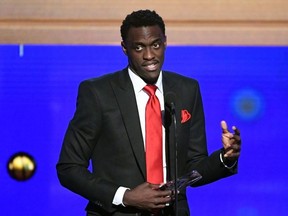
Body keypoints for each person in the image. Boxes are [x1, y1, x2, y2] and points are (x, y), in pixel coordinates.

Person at [56, 9, 241, 216]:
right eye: (138, 47)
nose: (149, 55)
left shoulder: (186, 90)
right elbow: (69, 168)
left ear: (165, 42)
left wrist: (225, 158)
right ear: (125, 48)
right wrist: (125, 196)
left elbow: (193, 170)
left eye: (156, 45)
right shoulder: (98, 93)